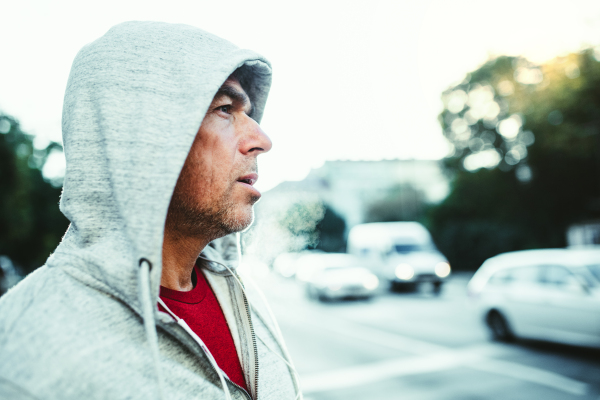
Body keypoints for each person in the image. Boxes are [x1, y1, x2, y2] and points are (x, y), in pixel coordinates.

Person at [0, 21, 301, 400]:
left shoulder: (240, 293)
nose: (262, 139)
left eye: (250, 113)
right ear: (143, 135)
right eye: (225, 109)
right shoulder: (25, 358)